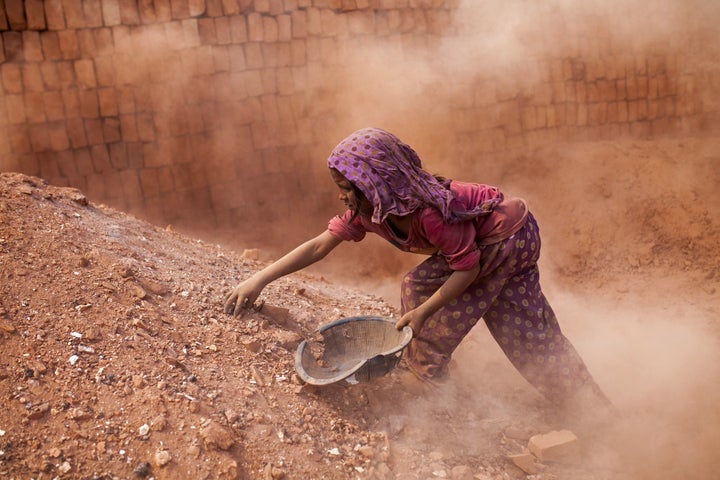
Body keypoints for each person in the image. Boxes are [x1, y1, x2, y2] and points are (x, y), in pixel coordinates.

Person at [224, 127, 609, 407]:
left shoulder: (426, 214)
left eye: (347, 186)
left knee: (443, 300)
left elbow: (467, 269)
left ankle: (426, 376)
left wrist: (423, 314)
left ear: (374, 183)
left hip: (506, 239)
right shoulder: (370, 211)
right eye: (338, 186)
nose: (342, 195)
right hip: (499, 237)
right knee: (525, 327)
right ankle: (588, 406)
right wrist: (259, 279)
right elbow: (319, 246)